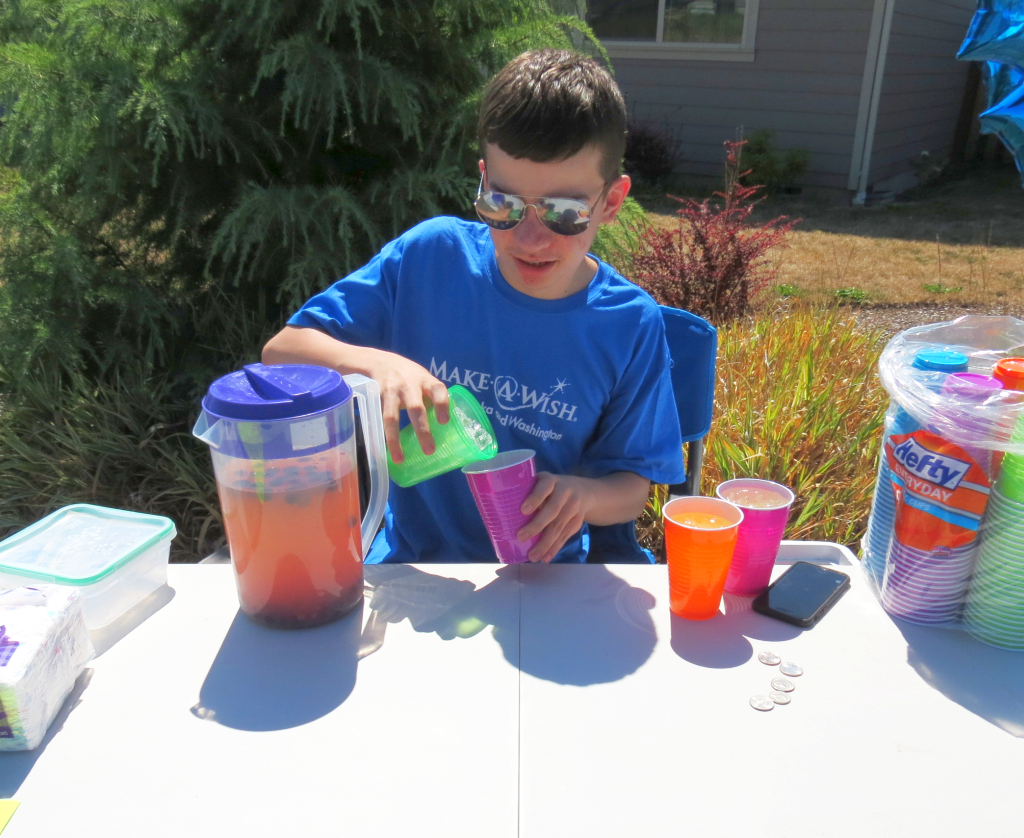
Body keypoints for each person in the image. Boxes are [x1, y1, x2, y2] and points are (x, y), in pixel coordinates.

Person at [262, 49, 685, 563]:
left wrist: (583, 495)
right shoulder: (430, 258)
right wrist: (376, 362)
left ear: (611, 203)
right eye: (502, 204)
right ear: (484, 179)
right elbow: (282, 352)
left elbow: (631, 487)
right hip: (414, 567)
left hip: (544, 580)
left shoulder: (628, 324)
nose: (529, 238)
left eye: (564, 212)